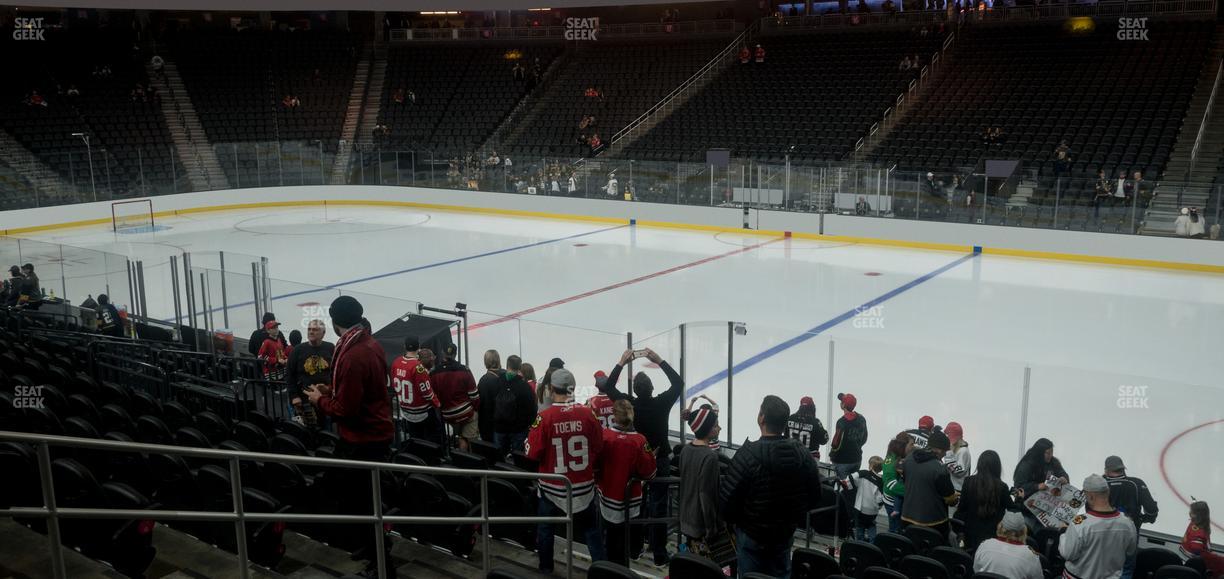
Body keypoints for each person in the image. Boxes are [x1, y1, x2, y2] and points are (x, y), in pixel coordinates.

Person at [303, 296, 395, 578]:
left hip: (363, 439)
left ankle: (382, 565)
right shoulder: (367, 343)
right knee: (356, 499)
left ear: (334, 322)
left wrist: (320, 400)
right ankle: (371, 548)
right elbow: (360, 392)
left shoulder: (353, 355)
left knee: (361, 503)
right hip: (367, 435)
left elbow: (347, 410)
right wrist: (332, 391)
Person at [720, 395, 821, 578]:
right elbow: (815, 496)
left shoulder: (746, 455)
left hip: (751, 537)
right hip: (783, 536)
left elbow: (726, 503)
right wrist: (790, 518)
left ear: (761, 418)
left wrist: (744, 522)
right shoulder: (803, 455)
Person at [602, 348, 685, 566]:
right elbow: (678, 383)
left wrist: (622, 361)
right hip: (660, 459)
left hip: (636, 460)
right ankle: (659, 554)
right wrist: (659, 360)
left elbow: (608, 387)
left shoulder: (630, 404)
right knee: (658, 508)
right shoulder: (661, 403)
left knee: (636, 504)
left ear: (635, 391)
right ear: (652, 388)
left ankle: (635, 548)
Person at [524, 368, 606, 572]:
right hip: (583, 488)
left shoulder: (544, 418)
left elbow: (532, 453)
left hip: (552, 488)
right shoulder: (588, 414)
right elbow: (599, 447)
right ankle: (603, 572)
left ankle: (545, 569)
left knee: (545, 529)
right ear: (573, 388)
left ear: (551, 389)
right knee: (591, 532)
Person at [596, 400, 656, 567]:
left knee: (610, 540)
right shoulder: (639, 440)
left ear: (614, 415)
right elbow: (650, 472)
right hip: (631, 501)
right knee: (625, 541)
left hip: (607, 497)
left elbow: (594, 466)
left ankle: (609, 568)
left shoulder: (604, 436)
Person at [1058, 474, 1137, 579]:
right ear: (1108, 492)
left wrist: (1064, 532)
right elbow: (1130, 551)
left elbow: (1068, 554)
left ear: (1090, 496)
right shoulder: (1128, 523)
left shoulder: (1080, 523)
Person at [679, 397, 725, 559]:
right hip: (701, 525)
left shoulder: (685, 450)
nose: (719, 428)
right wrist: (711, 528)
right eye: (716, 425)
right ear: (708, 430)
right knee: (704, 565)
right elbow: (706, 495)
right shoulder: (710, 457)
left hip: (686, 518)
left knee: (691, 561)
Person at [1105, 455, 1158, 579]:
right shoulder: (1136, 483)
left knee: (1103, 566)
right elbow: (1151, 510)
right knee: (1126, 568)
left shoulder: (1100, 484)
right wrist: (1144, 519)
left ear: (1106, 470)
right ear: (1123, 468)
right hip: (1129, 534)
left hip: (1103, 533)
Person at [901, 428, 959, 537]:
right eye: (945, 452)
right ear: (940, 450)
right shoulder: (940, 469)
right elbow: (950, 499)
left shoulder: (909, 459)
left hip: (907, 519)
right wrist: (956, 497)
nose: (944, 455)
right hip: (934, 524)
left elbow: (906, 482)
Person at [955, 450, 1014, 550]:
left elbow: (961, 509)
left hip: (970, 534)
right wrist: (1019, 499)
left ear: (980, 464)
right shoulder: (1002, 487)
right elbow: (1012, 510)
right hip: (993, 537)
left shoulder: (968, 482)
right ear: (997, 467)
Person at [390, 338, 442, 444]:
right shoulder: (418, 367)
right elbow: (427, 393)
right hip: (422, 413)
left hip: (406, 412)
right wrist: (438, 404)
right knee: (434, 439)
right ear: (418, 348)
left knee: (416, 440)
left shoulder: (396, 362)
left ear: (404, 347)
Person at [431, 343, 480, 451]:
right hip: (465, 413)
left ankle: (460, 448)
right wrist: (475, 409)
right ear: (455, 354)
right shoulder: (464, 370)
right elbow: (474, 396)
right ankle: (472, 451)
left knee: (460, 436)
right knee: (473, 423)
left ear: (443, 353)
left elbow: (433, 396)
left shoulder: (434, 373)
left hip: (447, 415)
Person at [285, 319, 333, 428]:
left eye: (315, 330)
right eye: (309, 329)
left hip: (324, 399)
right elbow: (289, 375)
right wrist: (294, 396)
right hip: (303, 401)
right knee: (304, 431)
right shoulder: (297, 350)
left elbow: (335, 373)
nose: (311, 332)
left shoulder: (330, 348)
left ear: (323, 333)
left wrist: (329, 388)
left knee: (326, 429)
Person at [1013, 438, 1069, 528]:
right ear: (1039, 452)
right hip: (1027, 509)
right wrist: (1036, 486)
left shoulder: (1054, 462)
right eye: (1048, 453)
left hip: (1047, 508)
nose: (1050, 455)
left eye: (1052, 452)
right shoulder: (1026, 464)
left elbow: (1062, 473)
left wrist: (1064, 478)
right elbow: (1017, 488)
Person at [972, 511, 1043, 578]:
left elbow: (976, 571)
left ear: (1000, 527)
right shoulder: (1030, 556)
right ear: (1023, 531)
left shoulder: (985, 545)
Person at [492, 355, 536, 456]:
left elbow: (490, 403)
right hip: (518, 430)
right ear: (520, 367)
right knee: (518, 458)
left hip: (499, 428)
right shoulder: (525, 387)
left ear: (507, 365)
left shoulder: (496, 382)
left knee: (499, 458)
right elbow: (532, 410)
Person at [830, 392, 868, 479]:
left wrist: (832, 455)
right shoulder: (861, 419)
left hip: (842, 461)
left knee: (843, 485)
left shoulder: (842, 422)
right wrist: (855, 446)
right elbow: (864, 438)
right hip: (857, 459)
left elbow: (836, 444)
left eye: (841, 401)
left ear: (843, 405)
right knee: (853, 484)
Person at [1181, 501, 1224, 577]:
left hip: (1186, 557)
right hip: (1192, 561)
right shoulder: (1199, 533)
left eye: (1192, 512)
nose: (1190, 513)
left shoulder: (1194, 522)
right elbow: (1196, 548)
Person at [850, 456, 885, 542]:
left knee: (860, 526)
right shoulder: (881, 481)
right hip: (872, 511)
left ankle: (860, 542)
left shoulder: (864, 474)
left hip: (860, 508)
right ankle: (873, 542)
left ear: (871, 465)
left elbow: (853, 479)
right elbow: (880, 498)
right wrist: (878, 507)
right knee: (871, 525)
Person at [883, 433, 911, 533]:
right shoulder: (892, 460)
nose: (913, 447)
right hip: (892, 502)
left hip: (898, 499)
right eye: (911, 444)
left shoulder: (898, 455)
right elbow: (890, 483)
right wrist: (911, 492)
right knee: (895, 530)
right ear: (903, 445)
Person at [787, 396, 829, 461]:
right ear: (812, 408)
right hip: (810, 459)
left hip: (791, 456)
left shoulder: (790, 418)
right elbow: (824, 440)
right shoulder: (815, 422)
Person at [476, 349, 503, 442]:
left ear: (486, 362)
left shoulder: (483, 381)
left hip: (488, 425)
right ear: (498, 360)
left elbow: (480, 404)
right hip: (505, 424)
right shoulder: (506, 376)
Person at [944, 421, 972, 492]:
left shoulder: (963, 451)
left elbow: (958, 472)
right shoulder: (958, 449)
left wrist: (948, 453)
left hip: (958, 490)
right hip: (954, 488)